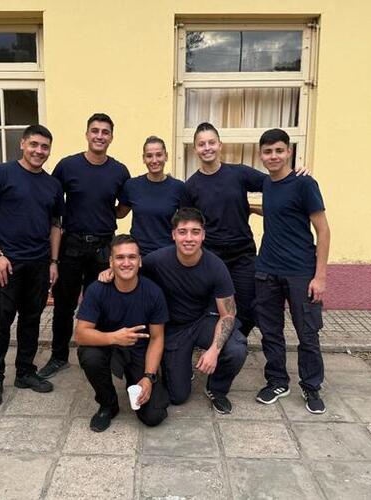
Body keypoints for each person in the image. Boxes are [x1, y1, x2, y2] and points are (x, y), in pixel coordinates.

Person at [185, 122, 308, 336]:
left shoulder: (239, 174)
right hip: (211, 257)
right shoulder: (191, 186)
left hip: (243, 256)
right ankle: (223, 346)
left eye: (211, 142)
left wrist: (296, 173)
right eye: (201, 144)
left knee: (250, 307)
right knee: (214, 307)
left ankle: (237, 341)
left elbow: (275, 183)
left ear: (220, 145)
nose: (207, 148)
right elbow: (188, 223)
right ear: (195, 149)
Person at [0, 125, 64, 407]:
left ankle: (25, 372)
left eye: (44, 147)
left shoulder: (52, 185)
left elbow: (55, 226)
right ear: (23, 144)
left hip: (38, 264)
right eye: (34, 144)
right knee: (0, 322)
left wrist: (53, 261)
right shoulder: (2, 173)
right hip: (7, 264)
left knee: (31, 320)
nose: (39, 151)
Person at [38, 113, 131, 380]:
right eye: (95, 131)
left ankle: (101, 354)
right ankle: (58, 357)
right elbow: (54, 206)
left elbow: (123, 209)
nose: (100, 136)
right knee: (64, 304)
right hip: (71, 246)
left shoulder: (119, 171)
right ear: (87, 134)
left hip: (103, 247)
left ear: (112, 137)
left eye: (105, 132)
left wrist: (101, 214)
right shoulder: (67, 166)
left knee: (103, 302)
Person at [139, 207, 247, 414]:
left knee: (236, 348)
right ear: (173, 235)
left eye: (195, 232)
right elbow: (129, 268)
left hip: (202, 321)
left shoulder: (216, 266)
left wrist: (214, 351)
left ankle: (217, 389)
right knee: (178, 397)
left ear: (203, 235)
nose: (189, 238)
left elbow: (228, 315)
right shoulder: (157, 260)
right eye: (183, 232)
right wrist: (110, 271)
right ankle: (175, 366)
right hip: (173, 329)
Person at [253, 128, 331, 414]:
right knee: (270, 331)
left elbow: (323, 230)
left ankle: (311, 387)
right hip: (267, 270)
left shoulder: (304, 184)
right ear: (261, 155)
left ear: (289, 152)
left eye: (278, 150)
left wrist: (320, 276)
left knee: (307, 333)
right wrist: (251, 208)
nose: (273, 156)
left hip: (300, 272)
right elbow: (279, 211)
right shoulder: (267, 184)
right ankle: (277, 381)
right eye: (267, 151)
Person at [75, 235, 169, 432]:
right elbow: (81, 334)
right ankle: (108, 404)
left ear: (140, 261)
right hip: (109, 347)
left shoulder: (153, 293)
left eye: (132, 257)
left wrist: (148, 377)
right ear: (111, 262)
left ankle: (139, 380)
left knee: (154, 416)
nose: (126, 263)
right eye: (120, 258)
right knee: (89, 354)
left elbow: (158, 338)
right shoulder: (97, 289)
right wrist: (114, 337)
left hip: (139, 352)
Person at [116, 136, 188, 256]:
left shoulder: (178, 187)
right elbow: (120, 213)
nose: (154, 160)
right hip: (138, 255)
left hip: (167, 255)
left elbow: (185, 223)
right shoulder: (132, 186)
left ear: (166, 156)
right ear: (143, 159)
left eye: (159, 155)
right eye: (149, 156)